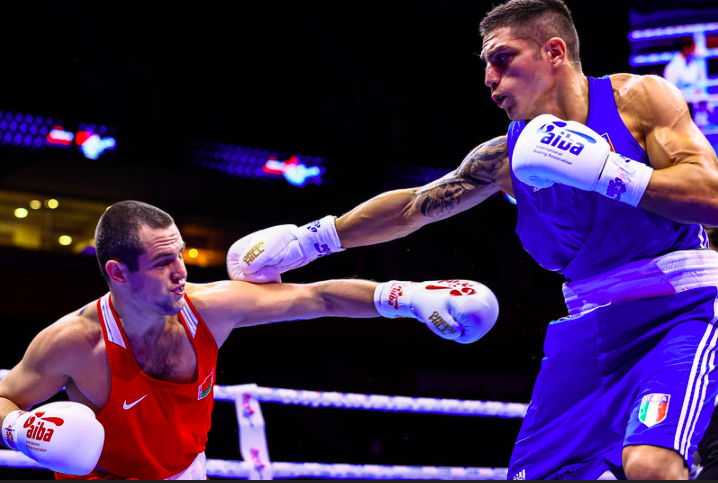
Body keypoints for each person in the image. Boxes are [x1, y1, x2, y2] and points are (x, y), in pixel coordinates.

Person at [224, 0, 718, 479]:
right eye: (485, 65)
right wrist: (312, 240)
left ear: (554, 52)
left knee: (651, 465)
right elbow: (415, 205)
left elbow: (711, 196)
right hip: (590, 327)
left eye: (502, 60)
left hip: (682, 309)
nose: (489, 80)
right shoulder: (504, 157)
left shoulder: (639, 100)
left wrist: (608, 171)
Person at [0, 200, 499, 480]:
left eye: (181, 255)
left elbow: (319, 298)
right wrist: (20, 430)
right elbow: (5, 397)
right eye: (161, 263)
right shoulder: (72, 343)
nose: (181, 272)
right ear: (118, 272)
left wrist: (406, 297)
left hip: (186, 473)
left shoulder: (207, 308)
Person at [663, 36, 707, 120]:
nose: (694, 52)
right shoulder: (673, 67)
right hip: (679, 109)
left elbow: (697, 86)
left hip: (693, 107)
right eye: (692, 50)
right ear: (686, 48)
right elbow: (670, 90)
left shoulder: (693, 65)